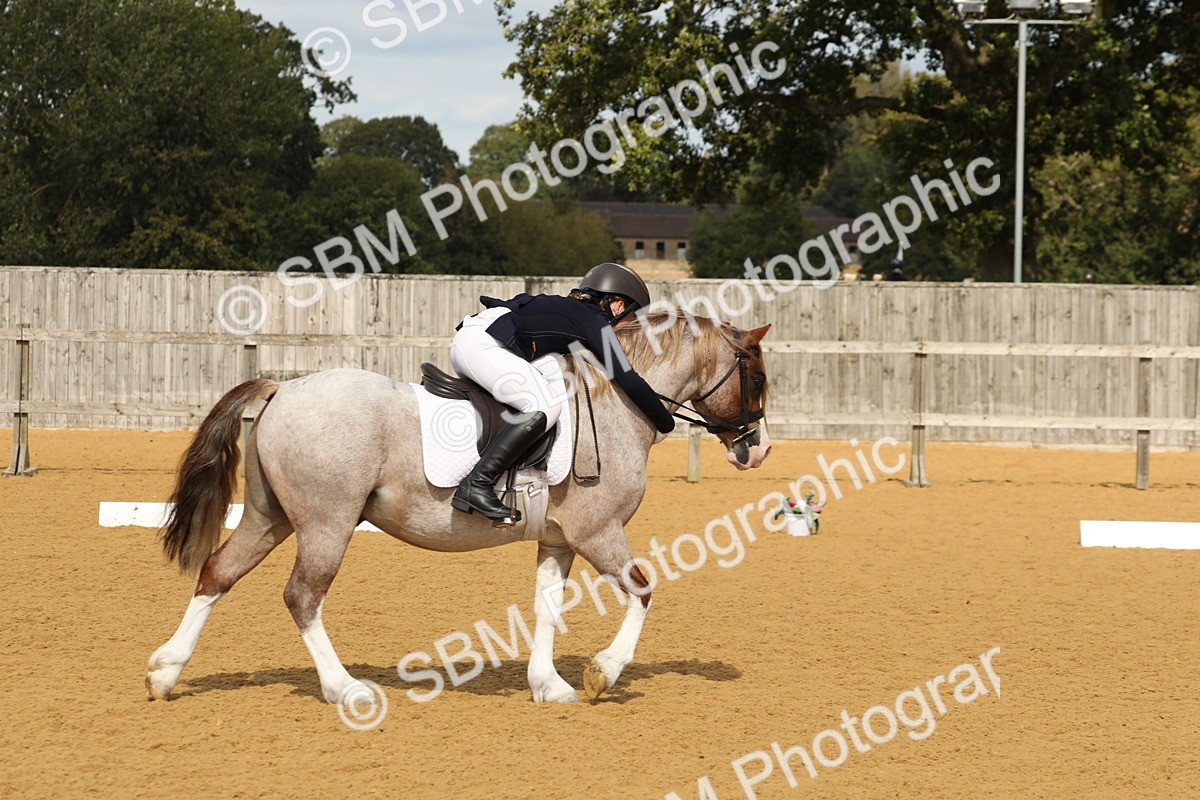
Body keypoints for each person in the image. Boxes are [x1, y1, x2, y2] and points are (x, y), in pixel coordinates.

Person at [448, 262, 676, 525]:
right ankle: (477, 484)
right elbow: (627, 378)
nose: (624, 328)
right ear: (618, 305)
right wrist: (664, 420)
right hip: (484, 345)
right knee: (544, 406)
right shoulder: (594, 320)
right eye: (630, 319)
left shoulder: (571, 310)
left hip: (475, 340)